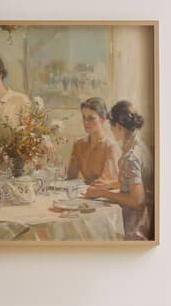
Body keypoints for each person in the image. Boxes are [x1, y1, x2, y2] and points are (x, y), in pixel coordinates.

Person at [85, 99, 154, 241]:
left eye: (111, 126)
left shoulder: (130, 157)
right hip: (144, 219)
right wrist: (109, 184)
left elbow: (137, 200)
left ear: (118, 126)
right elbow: (134, 183)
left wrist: (103, 192)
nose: (110, 129)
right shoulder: (139, 147)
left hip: (134, 227)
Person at [65, 97, 120, 184]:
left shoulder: (110, 147)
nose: (86, 122)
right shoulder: (79, 144)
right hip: (82, 193)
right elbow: (70, 178)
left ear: (102, 119)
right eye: (84, 117)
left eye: (91, 118)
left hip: (102, 195)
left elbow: (107, 182)